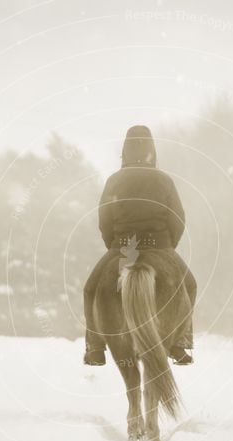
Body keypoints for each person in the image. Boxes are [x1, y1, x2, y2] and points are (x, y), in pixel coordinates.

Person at [83, 125, 196, 366]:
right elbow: (177, 218)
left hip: (123, 247)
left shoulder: (114, 180)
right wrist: (168, 247)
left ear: (125, 150)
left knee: (91, 290)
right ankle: (179, 343)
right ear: (151, 150)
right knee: (190, 285)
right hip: (160, 246)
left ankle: (95, 347)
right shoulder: (164, 180)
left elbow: (104, 220)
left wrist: (114, 246)